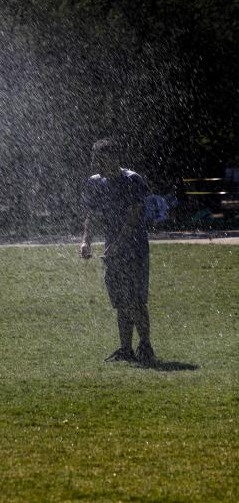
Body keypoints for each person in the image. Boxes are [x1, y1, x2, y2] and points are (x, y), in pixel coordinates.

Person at [79, 137, 156, 365]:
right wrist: (86, 242)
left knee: (135, 300)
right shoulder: (95, 183)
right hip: (112, 248)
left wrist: (117, 246)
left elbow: (133, 218)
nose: (97, 165)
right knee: (121, 300)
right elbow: (90, 216)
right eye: (95, 160)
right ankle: (125, 349)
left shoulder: (132, 181)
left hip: (134, 248)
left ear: (114, 159)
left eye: (101, 160)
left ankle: (145, 346)